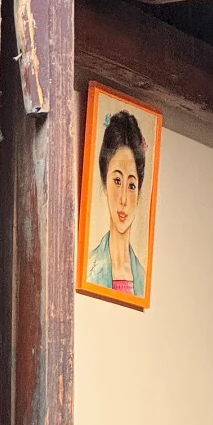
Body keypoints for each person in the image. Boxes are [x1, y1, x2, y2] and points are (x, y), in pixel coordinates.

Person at [88, 109, 148, 297]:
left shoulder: (142, 277)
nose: (123, 199)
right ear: (104, 183)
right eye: (117, 181)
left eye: (131, 185)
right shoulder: (91, 268)